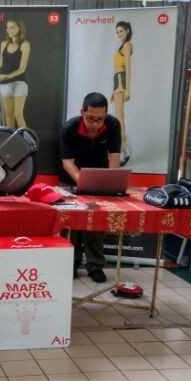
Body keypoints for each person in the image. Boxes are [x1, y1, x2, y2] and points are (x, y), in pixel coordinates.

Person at [60, 92, 122, 283]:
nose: (95, 123)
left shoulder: (112, 125)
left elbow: (114, 158)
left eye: (99, 119)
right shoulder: (69, 128)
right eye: (90, 118)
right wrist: (82, 182)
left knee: (95, 224)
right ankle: (71, 263)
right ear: (82, 113)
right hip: (71, 179)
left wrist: (111, 181)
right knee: (72, 224)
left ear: (106, 114)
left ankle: (95, 266)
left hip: (99, 178)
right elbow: (67, 163)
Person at [111, 21, 133, 165]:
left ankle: (124, 152)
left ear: (127, 31)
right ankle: (124, 151)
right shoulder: (122, 45)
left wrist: (127, 89)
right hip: (117, 81)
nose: (119, 34)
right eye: (117, 32)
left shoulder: (127, 45)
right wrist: (113, 90)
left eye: (121, 31)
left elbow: (128, 68)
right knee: (119, 118)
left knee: (119, 119)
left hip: (121, 80)